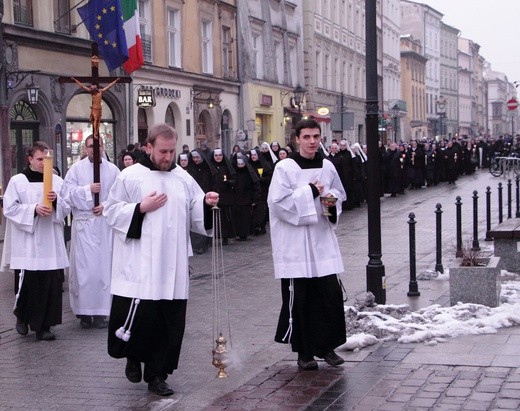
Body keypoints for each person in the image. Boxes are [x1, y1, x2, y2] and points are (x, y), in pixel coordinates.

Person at [103, 123, 219, 396]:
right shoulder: (130, 176)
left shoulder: (182, 177)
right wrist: (140, 208)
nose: (168, 157)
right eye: (162, 151)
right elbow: (111, 211)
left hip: (172, 265)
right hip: (139, 263)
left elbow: (195, 208)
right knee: (140, 318)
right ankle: (133, 358)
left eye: (171, 151)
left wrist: (207, 202)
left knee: (168, 322)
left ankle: (158, 375)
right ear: (148, 147)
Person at [267, 119, 347, 370]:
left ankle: (328, 347)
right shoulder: (285, 167)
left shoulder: (327, 166)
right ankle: (304, 353)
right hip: (295, 244)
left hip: (322, 239)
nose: (312, 142)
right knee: (301, 298)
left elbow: (338, 194)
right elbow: (278, 203)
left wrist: (331, 203)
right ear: (297, 139)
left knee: (328, 295)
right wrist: (310, 191)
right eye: (307, 137)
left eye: (316, 136)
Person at [2, 141, 71, 341]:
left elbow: (67, 208)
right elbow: (9, 208)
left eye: (47, 159)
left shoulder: (57, 182)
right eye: (40, 159)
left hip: (50, 240)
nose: (44, 163)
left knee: (50, 284)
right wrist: (33, 209)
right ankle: (22, 317)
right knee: (28, 283)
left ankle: (44, 326)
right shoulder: (18, 181)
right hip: (29, 242)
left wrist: (57, 200)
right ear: (30, 159)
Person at [63, 136, 120, 329]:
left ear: (104, 147)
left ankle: (102, 312)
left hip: (104, 226)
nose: (94, 150)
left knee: (103, 269)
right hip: (84, 225)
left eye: (98, 146)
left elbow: (119, 195)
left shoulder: (113, 170)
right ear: (85, 149)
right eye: (90, 147)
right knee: (84, 271)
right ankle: (84, 312)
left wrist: (105, 205)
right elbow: (67, 194)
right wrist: (88, 190)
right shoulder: (76, 169)